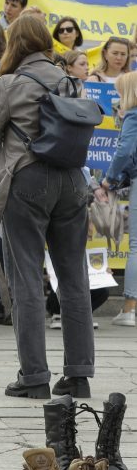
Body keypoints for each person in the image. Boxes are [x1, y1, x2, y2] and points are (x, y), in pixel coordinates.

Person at [0, 15, 94, 399]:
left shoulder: (8, 84)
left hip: (27, 180)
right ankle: (78, 374)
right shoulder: (69, 81)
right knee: (74, 278)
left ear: (14, 44)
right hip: (73, 181)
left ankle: (34, 376)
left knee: (26, 276)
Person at [100, 72, 137, 326]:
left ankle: (129, 309)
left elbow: (124, 150)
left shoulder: (133, 114)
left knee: (136, 247)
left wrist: (110, 179)